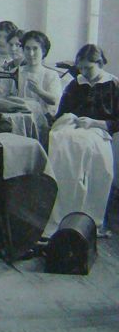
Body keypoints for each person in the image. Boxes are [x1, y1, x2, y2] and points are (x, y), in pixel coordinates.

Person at [46, 45, 119, 234]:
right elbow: (61, 112)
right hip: (73, 127)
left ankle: (90, 218)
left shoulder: (113, 85)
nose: (84, 72)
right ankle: (63, 213)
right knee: (61, 143)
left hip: (99, 130)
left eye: (89, 68)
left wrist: (96, 123)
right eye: (81, 68)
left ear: (100, 63)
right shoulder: (75, 84)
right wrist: (67, 119)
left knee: (92, 156)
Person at [16, 30, 62, 119]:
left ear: (43, 51)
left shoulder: (51, 75)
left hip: (43, 119)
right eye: (27, 48)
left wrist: (39, 91)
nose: (31, 53)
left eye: (35, 48)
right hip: (17, 117)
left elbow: (55, 101)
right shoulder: (16, 72)